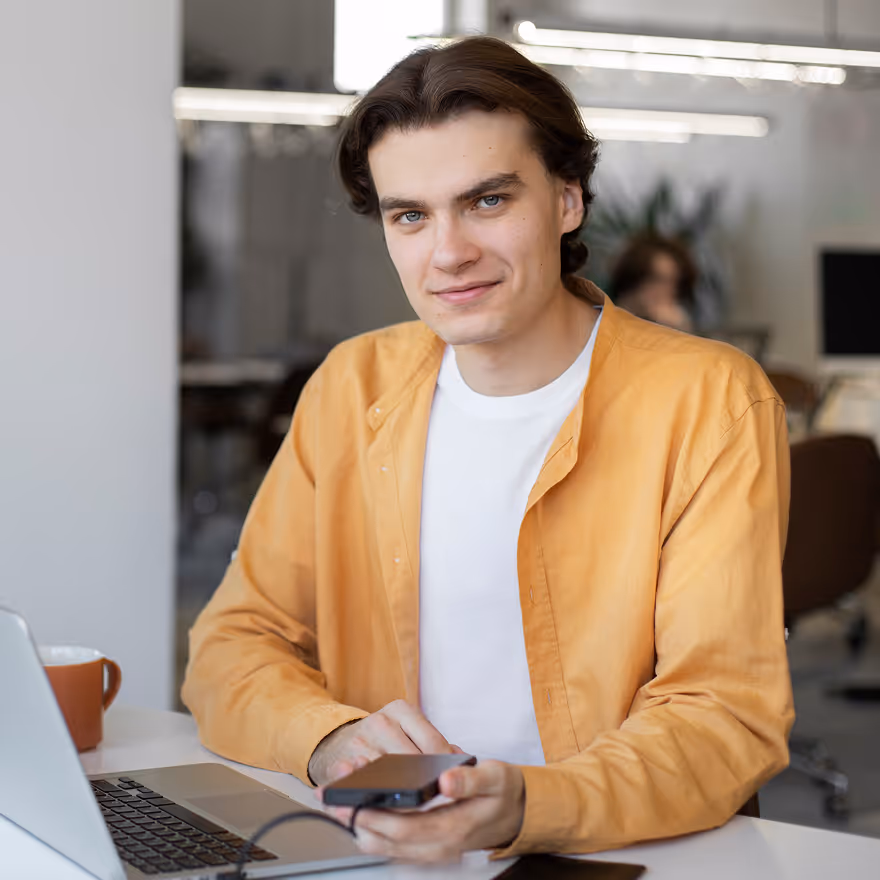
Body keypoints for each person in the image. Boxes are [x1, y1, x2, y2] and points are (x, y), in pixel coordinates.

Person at [182, 36, 793, 863]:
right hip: (386, 847)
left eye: (488, 201)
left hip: (606, 849)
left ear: (568, 199)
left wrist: (525, 806)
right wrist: (334, 741)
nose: (449, 253)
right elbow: (231, 646)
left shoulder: (708, 401)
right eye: (411, 216)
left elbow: (725, 715)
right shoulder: (351, 386)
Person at [610, 232, 697, 332]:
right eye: (658, 280)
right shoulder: (602, 323)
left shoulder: (676, 324)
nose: (667, 290)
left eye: (675, 283)